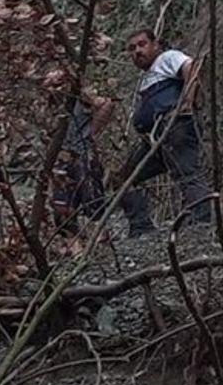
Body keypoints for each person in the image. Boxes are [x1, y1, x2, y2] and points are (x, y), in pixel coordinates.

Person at [118, 29, 211, 236]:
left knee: (187, 173)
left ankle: (202, 225)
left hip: (174, 127)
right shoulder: (146, 77)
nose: (137, 51)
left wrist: (187, 101)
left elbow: (192, 67)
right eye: (132, 49)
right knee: (126, 177)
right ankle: (141, 227)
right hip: (154, 139)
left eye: (142, 45)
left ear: (156, 45)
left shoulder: (167, 58)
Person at [42, 70, 114, 231]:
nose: (54, 89)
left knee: (92, 198)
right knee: (62, 204)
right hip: (61, 158)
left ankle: (99, 237)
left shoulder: (78, 96)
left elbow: (106, 104)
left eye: (57, 84)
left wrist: (93, 131)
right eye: (51, 85)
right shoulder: (49, 107)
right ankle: (72, 242)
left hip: (83, 154)